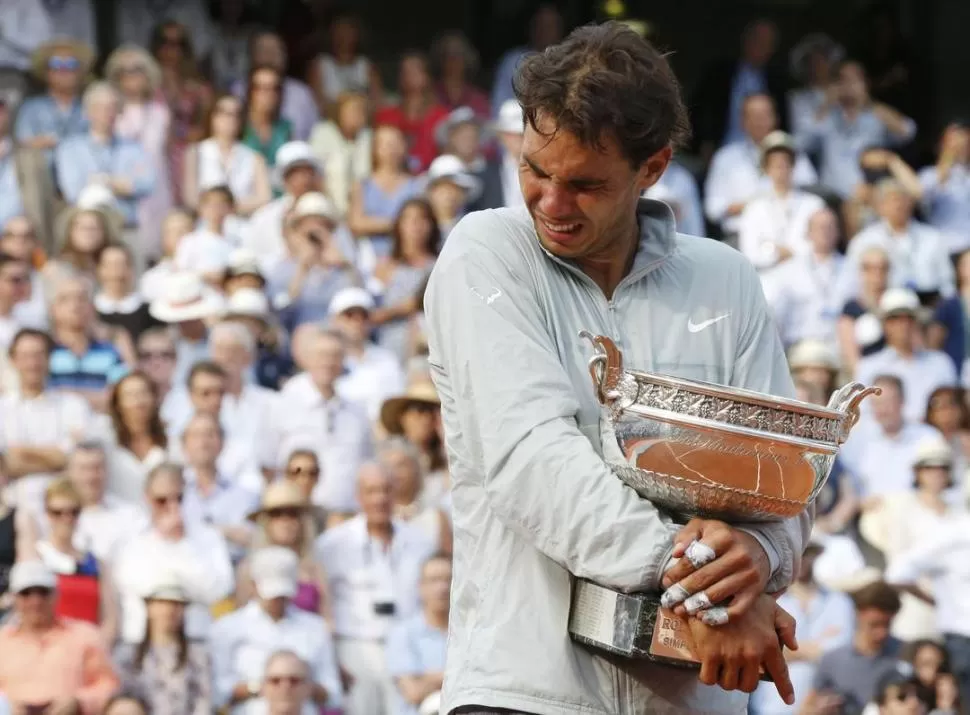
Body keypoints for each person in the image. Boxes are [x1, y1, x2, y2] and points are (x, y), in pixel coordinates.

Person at [423, 21, 808, 715]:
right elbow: (530, 461)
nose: (550, 202)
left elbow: (782, 488)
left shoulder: (727, 277)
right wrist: (709, 587)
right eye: (535, 170)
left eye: (584, 184)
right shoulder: (485, 251)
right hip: (527, 689)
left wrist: (757, 552)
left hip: (695, 695)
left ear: (653, 167)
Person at [0, 560, 119, 714]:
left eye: (43, 592)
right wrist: (6, 704)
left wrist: (79, 701)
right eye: (26, 593)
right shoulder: (3, 641)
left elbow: (108, 685)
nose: (35, 601)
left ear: (56, 595)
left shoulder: (83, 635)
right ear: (15, 598)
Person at [803, 582, 907, 714]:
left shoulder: (907, 653)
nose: (882, 633)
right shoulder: (832, 660)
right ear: (858, 614)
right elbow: (805, 709)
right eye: (874, 625)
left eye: (887, 624)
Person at [386, 553, 451, 715]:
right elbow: (413, 692)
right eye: (434, 580)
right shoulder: (403, 633)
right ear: (421, 586)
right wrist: (455, 677)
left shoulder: (469, 633)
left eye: (448, 579)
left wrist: (428, 678)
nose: (442, 587)